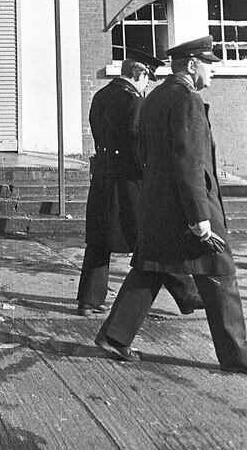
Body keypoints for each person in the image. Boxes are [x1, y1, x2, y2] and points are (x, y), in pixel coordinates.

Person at [94, 35, 247, 372]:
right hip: (190, 207)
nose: (213, 73)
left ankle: (115, 336)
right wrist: (200, 218)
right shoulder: (187, 100)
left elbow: (143, 153)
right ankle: (238, 356)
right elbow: (189, 162)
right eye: (209, 65)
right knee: (222, 274)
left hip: (159, 203)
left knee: (152, 268)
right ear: (192, 66)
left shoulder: (154, 97)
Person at [77, 55, 201, 316]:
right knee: (153, 238)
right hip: (130, 182)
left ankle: (89, 299)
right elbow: (138, 145)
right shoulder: (135, 101)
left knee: (99, 239)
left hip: (103, 178)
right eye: (147, 79)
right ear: (140, 74)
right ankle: (187, 295)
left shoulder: (100, 96)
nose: (146, 86)